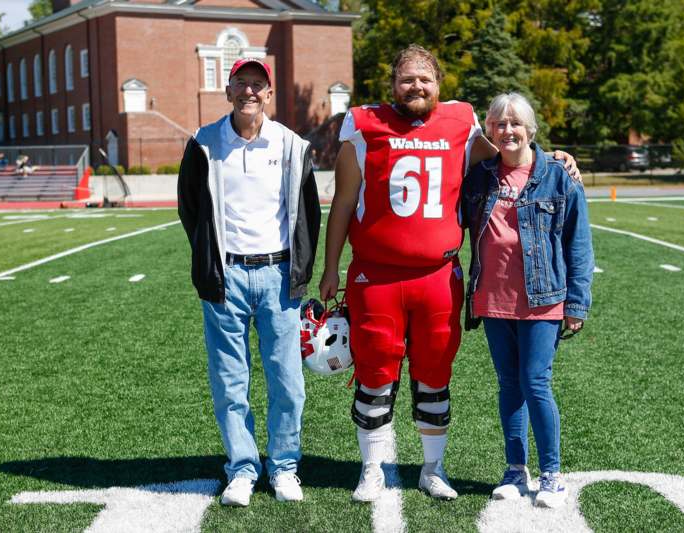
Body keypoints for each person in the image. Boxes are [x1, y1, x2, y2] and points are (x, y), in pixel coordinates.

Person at [319, 44, 580, 502]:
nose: (416, 86)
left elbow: (511, 152)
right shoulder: (363, 125)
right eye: (407, 79)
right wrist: (330, 266)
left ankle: (432, 468)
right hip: (375, 276)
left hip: (437, 276)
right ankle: (371, 469)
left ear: (439, 83)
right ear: (392, 85)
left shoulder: (462, 122)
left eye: (425, 78)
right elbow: (342, 202)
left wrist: (556, 159)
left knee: (435, 371)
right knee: (376, 373)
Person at [177, 58, 320, 506]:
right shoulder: (204, 143)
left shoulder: (292, 145)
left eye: (258, 85)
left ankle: (283, 467)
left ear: (269, 94)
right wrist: (210, 258)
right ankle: (241, 468)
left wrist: (298, 268)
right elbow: (190, 207)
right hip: (228, 275)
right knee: (229, 379)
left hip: (278, 275)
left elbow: (309, 212)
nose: (250, 93)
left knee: (287, 382)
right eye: (242, 84)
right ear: (229, 90)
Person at [461, 93, 594, 508]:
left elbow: (579, 242)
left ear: (531, 129)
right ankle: (516, 470)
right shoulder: (481, 176)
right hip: (493, 298)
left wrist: (577, 302)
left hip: (542, 299)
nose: (508, 131)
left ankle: (552, 474)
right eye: (499, 124)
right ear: (490, 129)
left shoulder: (557, 174)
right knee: (508, 385)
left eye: (515, 123)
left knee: (536, 382)